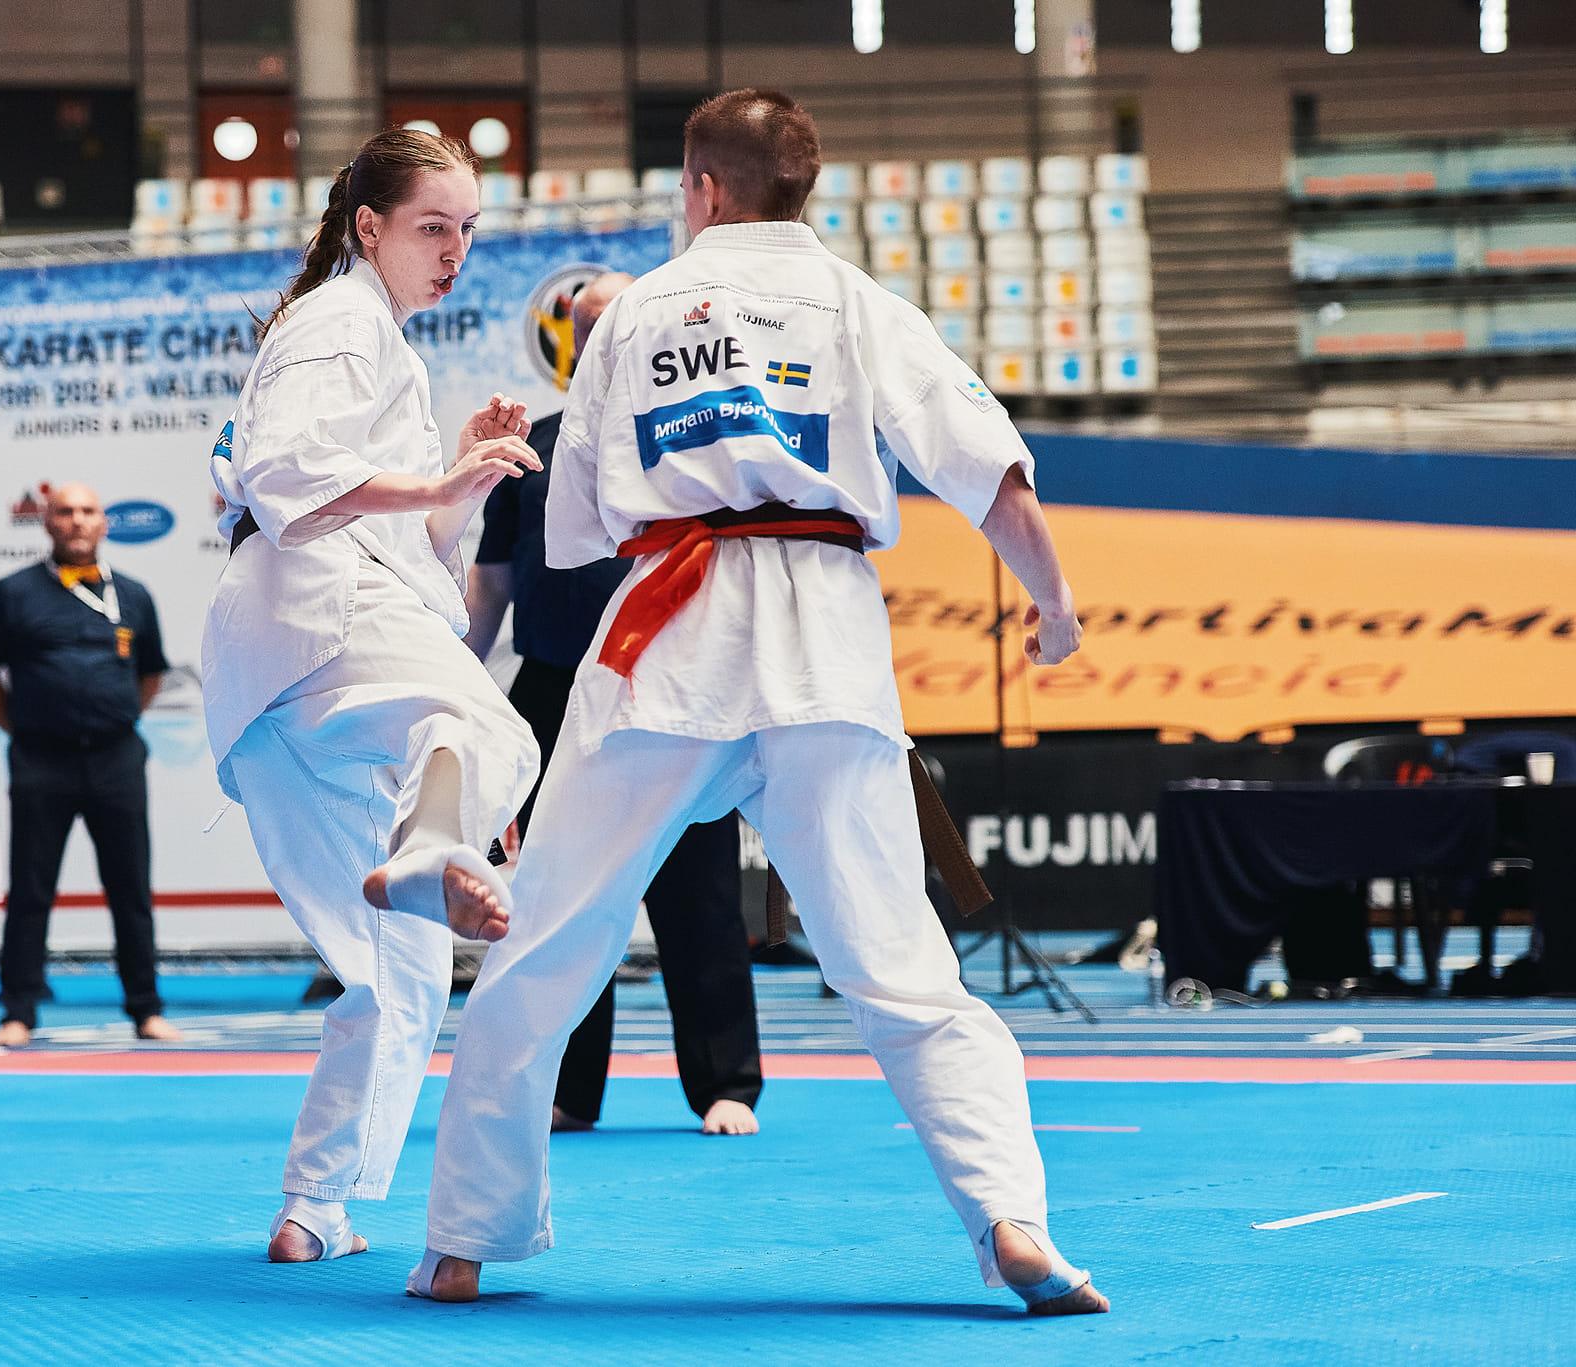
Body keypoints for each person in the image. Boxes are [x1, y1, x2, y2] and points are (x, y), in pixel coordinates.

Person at [408, 90, 1108, 1316]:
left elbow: (576, 528)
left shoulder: (633, 315)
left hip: (665, 645)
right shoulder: (855, 301)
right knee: (901, 964)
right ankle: (1010, 1219)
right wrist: (1052, 604)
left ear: (702, 188)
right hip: (823, 643)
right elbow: (990, 470)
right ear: (803, 187)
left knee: (545, 942)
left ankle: (463, 1241)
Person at [201, 127, 541, 1265]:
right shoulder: (340, 321)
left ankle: (314, 1208)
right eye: (432, 227)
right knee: (488, 729)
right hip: (319, 609)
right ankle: (434, 837)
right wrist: (436, 477)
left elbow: (413, 546)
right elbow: (286, 477)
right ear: (368, 227)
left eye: (468, 231)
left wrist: (459, 480)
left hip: (270, 683)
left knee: (387, 961)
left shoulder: (368, 337)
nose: (454, 252)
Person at [466, 270, 763, 1138]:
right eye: (588, 323)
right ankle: (568, 1089)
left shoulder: (697, 438)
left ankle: (726, 1083)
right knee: (559, 893)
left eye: (618, 320)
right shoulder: (533, 449)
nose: (602, 335)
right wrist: (450, 686)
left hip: (677, 683)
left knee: (698, 891)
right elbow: (490, 590)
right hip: (554, 688)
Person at [0, 483, 181, 1047]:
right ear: (47, 523)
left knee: (130, 889)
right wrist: (22, 726)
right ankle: (17, 1013)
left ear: (104, 524)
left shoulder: (133, 595)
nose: (77, 521)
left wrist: (114, 716)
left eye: (87, 511)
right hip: (41, 759)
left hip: (116, 758)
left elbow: (151, 674)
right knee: (30, 890)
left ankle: (146, 1010)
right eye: (65, 511)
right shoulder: (13, 593)